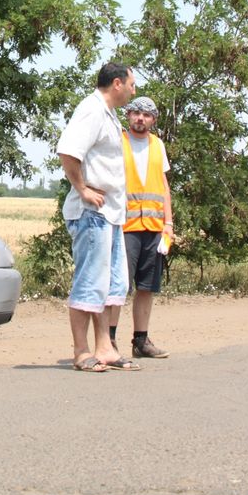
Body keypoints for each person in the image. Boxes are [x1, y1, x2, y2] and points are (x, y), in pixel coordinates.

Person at [57, 61, 140, 372]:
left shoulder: (108, 113)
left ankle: (105, 348)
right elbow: (68, 151)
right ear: (117, 83)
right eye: (132, 84)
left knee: (110, 285)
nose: (134, 90)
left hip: (111, 214)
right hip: (92, 213)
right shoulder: (91, 110)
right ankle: (81, 352)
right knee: (89, 283)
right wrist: (82, 189)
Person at [109, 95, 174, 359]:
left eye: (146, 115)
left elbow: (164, 186)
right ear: (128, 116)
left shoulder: (158, 145)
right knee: (119, 286)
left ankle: (141, 341)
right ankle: (109, 340)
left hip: (154, 227)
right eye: (136, 113)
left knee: (147, 287)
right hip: (125, 226)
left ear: (153, 120)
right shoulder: (117, 142)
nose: (140, 118)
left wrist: (168, 223)